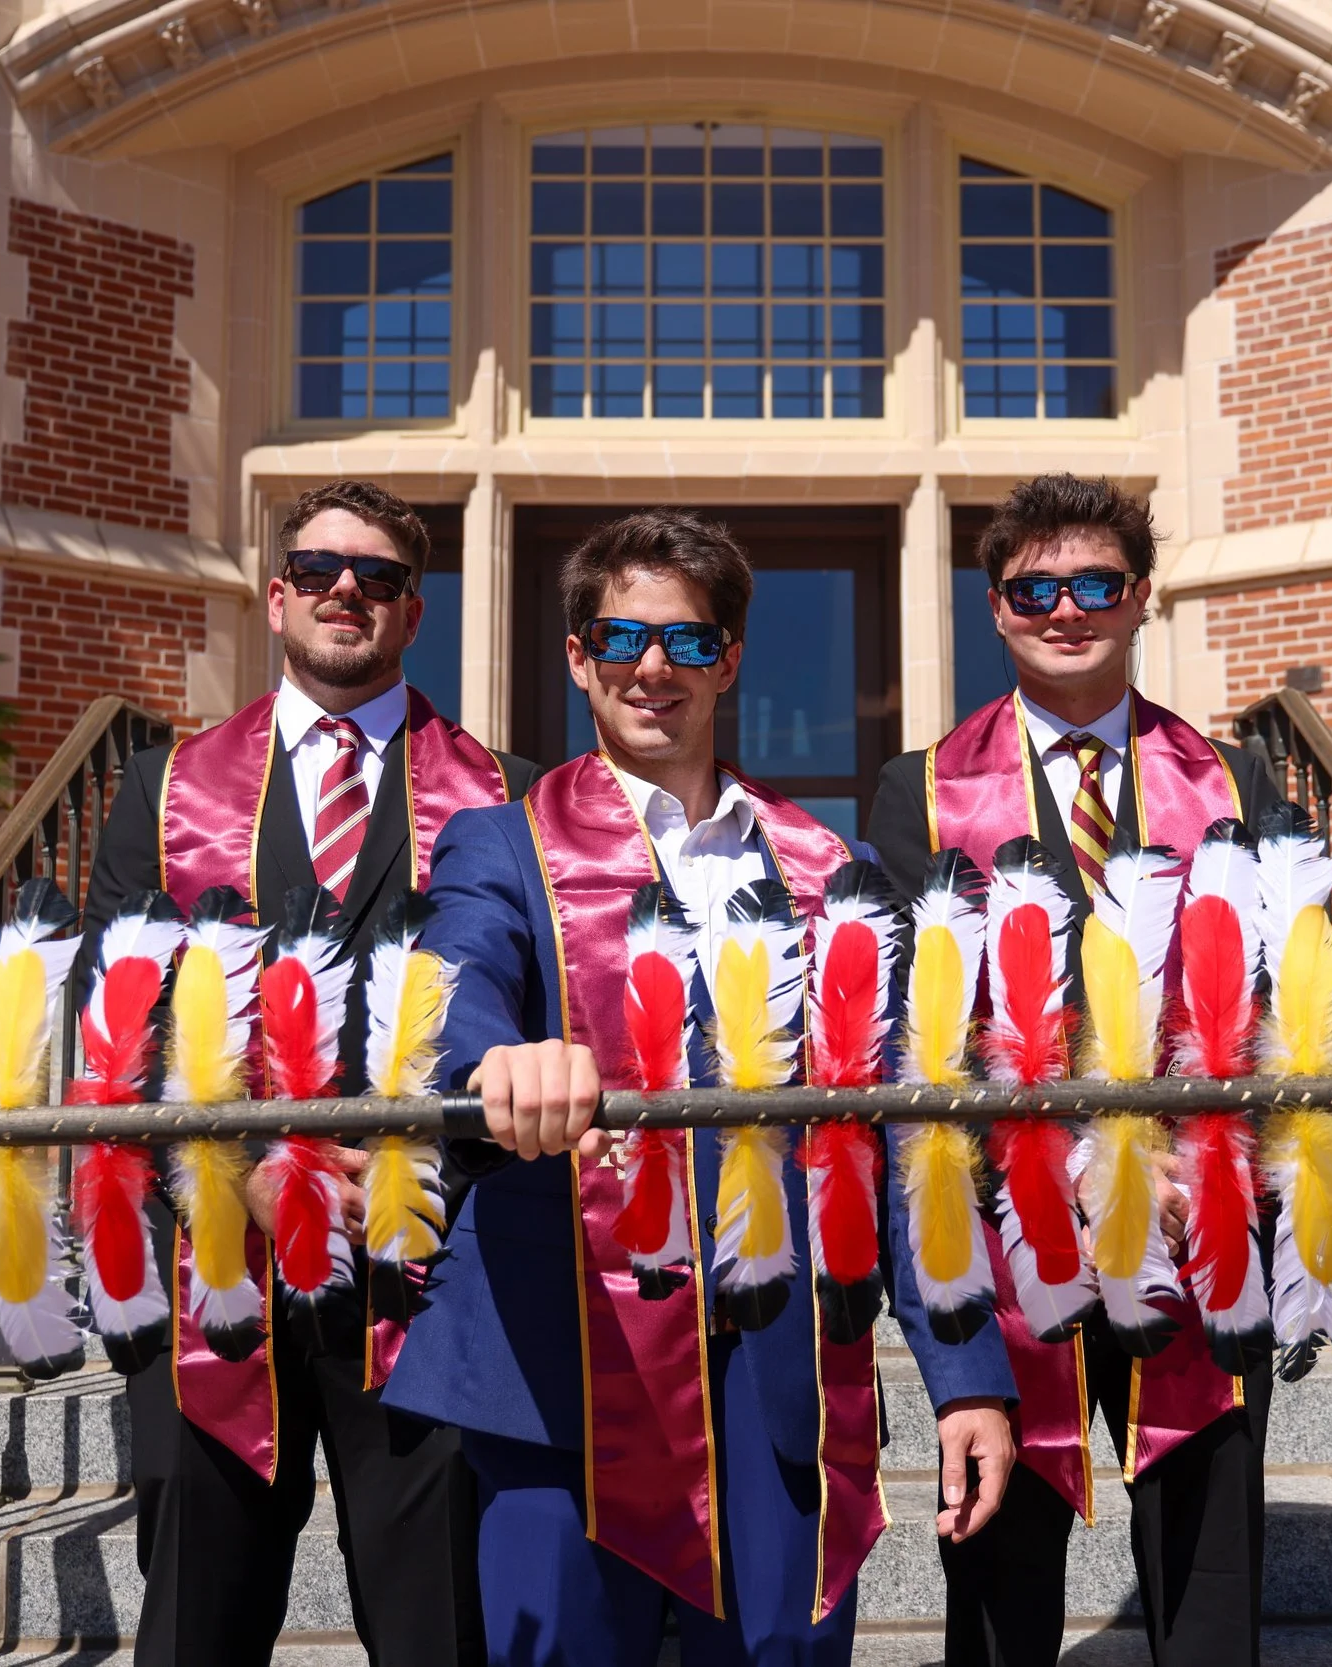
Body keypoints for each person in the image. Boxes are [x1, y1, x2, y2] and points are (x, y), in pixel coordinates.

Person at [384, 509, 1021, 1666]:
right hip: (561, 1366)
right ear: (576, 654)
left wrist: (967, 1374)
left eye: (685, 642)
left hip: (775, 1371)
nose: (650, 667)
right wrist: (497, 1057)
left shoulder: (835, 873)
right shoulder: (498, 843)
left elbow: (899, 1142)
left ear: (728, 658)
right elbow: (456, 976)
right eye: (619, 636)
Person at [82, 478, 535, 1666]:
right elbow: (119, 1036)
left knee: (440, 1624)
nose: (349, 590)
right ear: (275, 597)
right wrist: (259, 1167)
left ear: (412, 612)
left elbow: (527, 1017)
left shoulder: (507, 792)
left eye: (377, 577)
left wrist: (410, 1164)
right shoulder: (162, 789)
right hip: (213, 1269)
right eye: (323, 569)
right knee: (196, 1628)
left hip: (430, 1271)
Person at [865, 473, 1286, 1667]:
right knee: (999, 1594)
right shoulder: (924, 793)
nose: (1065, 608)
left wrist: (1197, 1163)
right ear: (994, 608)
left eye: (1093, 582)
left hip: (1198, 1229)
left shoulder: (1233, 783)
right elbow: (916, 1042)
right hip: (1009, 1236)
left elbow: (1267, 1017)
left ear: (1140, 595)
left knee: (1208, 1599)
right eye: (1032, 588)